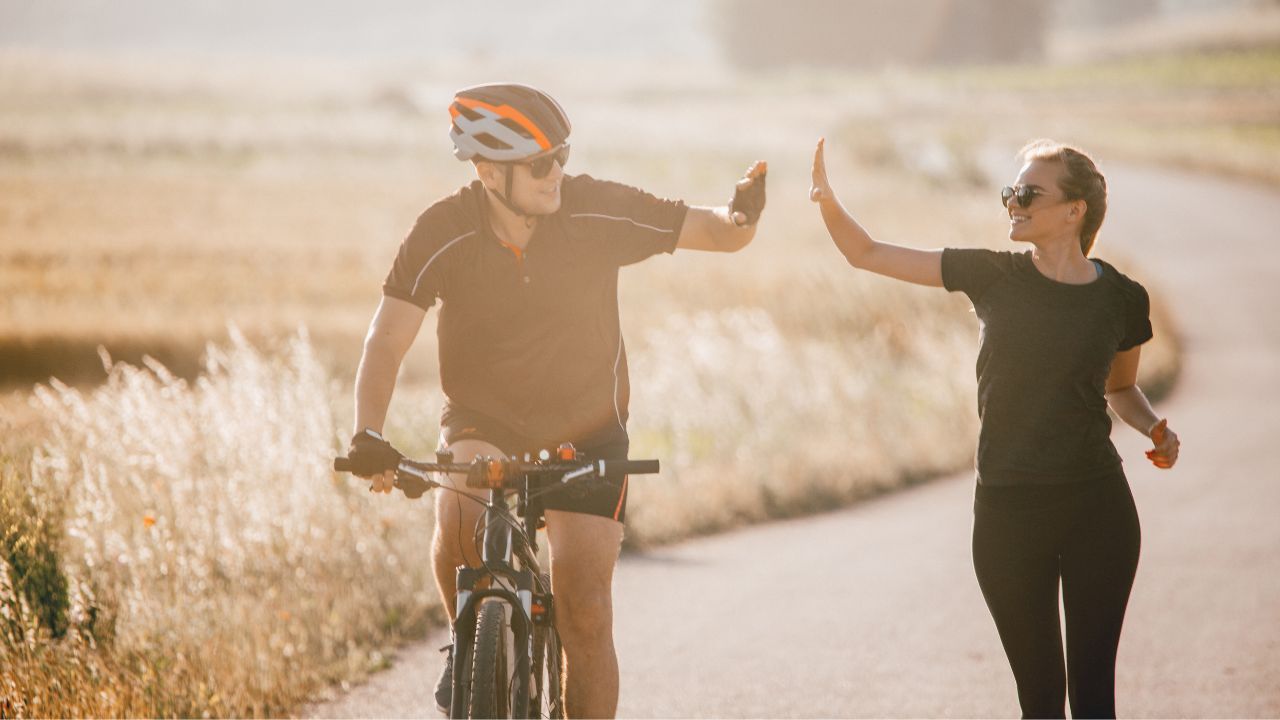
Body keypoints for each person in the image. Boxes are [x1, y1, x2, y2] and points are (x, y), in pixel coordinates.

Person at [344, 83, 766, 719]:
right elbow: (386, 338)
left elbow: (712, 231)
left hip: (587, 426)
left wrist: (743, 217)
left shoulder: (594, 210)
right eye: (540, 163)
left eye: (561, 155)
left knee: (585, 608)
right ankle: (470, 639)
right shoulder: (444, 230)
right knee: (459, 526)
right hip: (485, 419)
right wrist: (367, 433)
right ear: (488, 173)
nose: (557, 172)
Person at [810, 137, 1180, 718]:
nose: (1013, 202)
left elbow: (1120, 387)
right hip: (1008, 512)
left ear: (1074, 209)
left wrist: (1155, 428)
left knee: (1092, 695)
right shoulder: (991, 275)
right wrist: (828, 202)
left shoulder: (1122, 298)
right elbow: (868, 253)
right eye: (1010, 191)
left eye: (1029, 192)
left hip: (1097, 507)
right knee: (1038, 697)